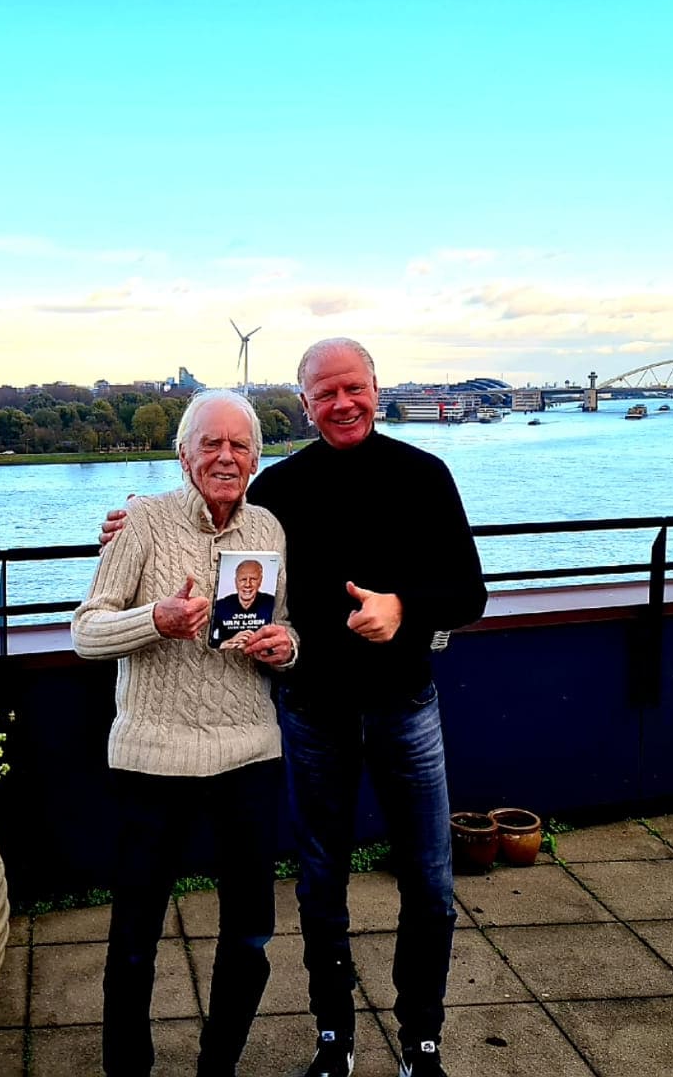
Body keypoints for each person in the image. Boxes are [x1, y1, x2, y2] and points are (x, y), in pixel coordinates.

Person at [100, 339, 486, 1077]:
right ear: (303, 405)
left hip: (407, 707)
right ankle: (334, 1036)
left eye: (355, 389)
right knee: (319, 884)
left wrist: (404, 606)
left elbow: (469, 592)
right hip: (314, 714)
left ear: (376, 388)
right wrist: (123, 529)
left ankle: (422, 1041)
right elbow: (207, 519)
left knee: (430, 885)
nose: (342, 404)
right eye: (324, 394)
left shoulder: (425, 475)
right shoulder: (279, 491)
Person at [73, 388, 298, 1077]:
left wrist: (288, 646)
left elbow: (286, 626)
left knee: (251, 934)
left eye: (239, 445)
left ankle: (218, 1067)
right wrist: (155, 621)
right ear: (183, 455)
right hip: (154, 756)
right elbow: (85, 630)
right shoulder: (142, 525)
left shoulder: (270, 529)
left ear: (256, 458)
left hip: (249, 751)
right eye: (211, 444)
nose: (225, 456)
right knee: (135, 938)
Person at [213, 558, 277, 649]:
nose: (247, 584)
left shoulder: (272, 602)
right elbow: (204, 637)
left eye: (253, 579)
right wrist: (225, 643)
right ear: (236, 581)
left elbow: (284, 633)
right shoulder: (220, 605)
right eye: (243, 579)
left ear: (260, 581)